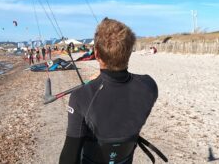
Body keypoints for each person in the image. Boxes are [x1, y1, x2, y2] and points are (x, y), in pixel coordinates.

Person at [60, 18, 160, 164]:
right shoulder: (149, 86)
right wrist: (101, 80)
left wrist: (95, 83)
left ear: (97, 54)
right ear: (129, 52)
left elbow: (69, 157)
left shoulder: (80, 97)